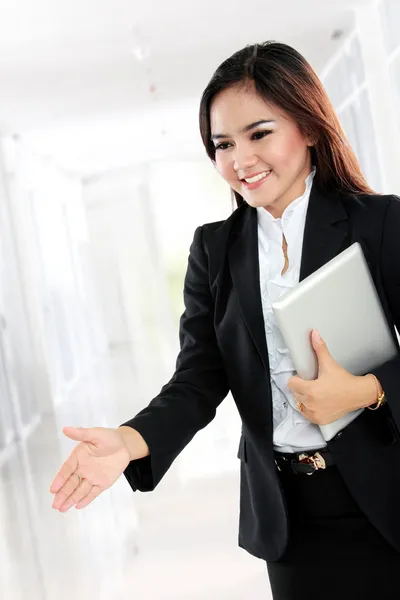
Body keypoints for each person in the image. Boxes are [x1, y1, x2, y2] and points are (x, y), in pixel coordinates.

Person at [50, 41, 400, 599]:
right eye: (223, 144)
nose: (240, 160)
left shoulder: (381, 223)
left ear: (308, 128)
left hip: (387, 496)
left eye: (259, 134)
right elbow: (197, 378)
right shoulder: (215, 250)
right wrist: (129, 439)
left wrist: (366, 391)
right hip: (290, 518)